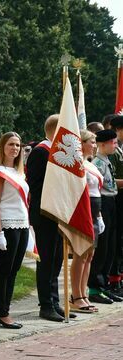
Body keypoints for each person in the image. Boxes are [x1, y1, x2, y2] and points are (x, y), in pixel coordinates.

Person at [26, 114, 76, 322]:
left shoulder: (57, 152)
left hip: (58, 212)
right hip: (45, 212)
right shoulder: (40, 152)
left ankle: (55, 302)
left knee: (57, 259)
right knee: (46, 260)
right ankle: (46, 304)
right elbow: (36, 185)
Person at [0, 132, 29, 329]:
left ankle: (6, 310)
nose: (15, 148)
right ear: (2, 147)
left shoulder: (19, 172)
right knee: (3, 271)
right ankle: (0, 313)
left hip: (22, 225)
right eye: (11, 144)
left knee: (13, 271)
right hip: (6, 225)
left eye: (18, 145)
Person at [88, 129, 123, 304]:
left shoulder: (107, 162)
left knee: (110, 246)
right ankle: (95, 287)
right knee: (102, 247)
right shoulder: (97, 164)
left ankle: (104, 284)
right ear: (103, 144)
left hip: (111, 201)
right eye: (113, 143)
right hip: (102, 202)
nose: (115, 145)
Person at [70, 130, 102, 313]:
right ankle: (76, 295)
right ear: (81, 143)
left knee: (89, 256)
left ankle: (84, 293)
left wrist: (100, 216)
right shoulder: (77, 165)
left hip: (95, 213)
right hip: (83, 212)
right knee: (80, 255)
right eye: (92, 141)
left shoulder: (90, 164)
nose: (95, 145)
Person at [108, 115, 123, 296]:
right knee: (115, 241)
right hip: (115, 199)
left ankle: (118, 278)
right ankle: (113, 280)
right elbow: (110, 180)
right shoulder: (113, 151)